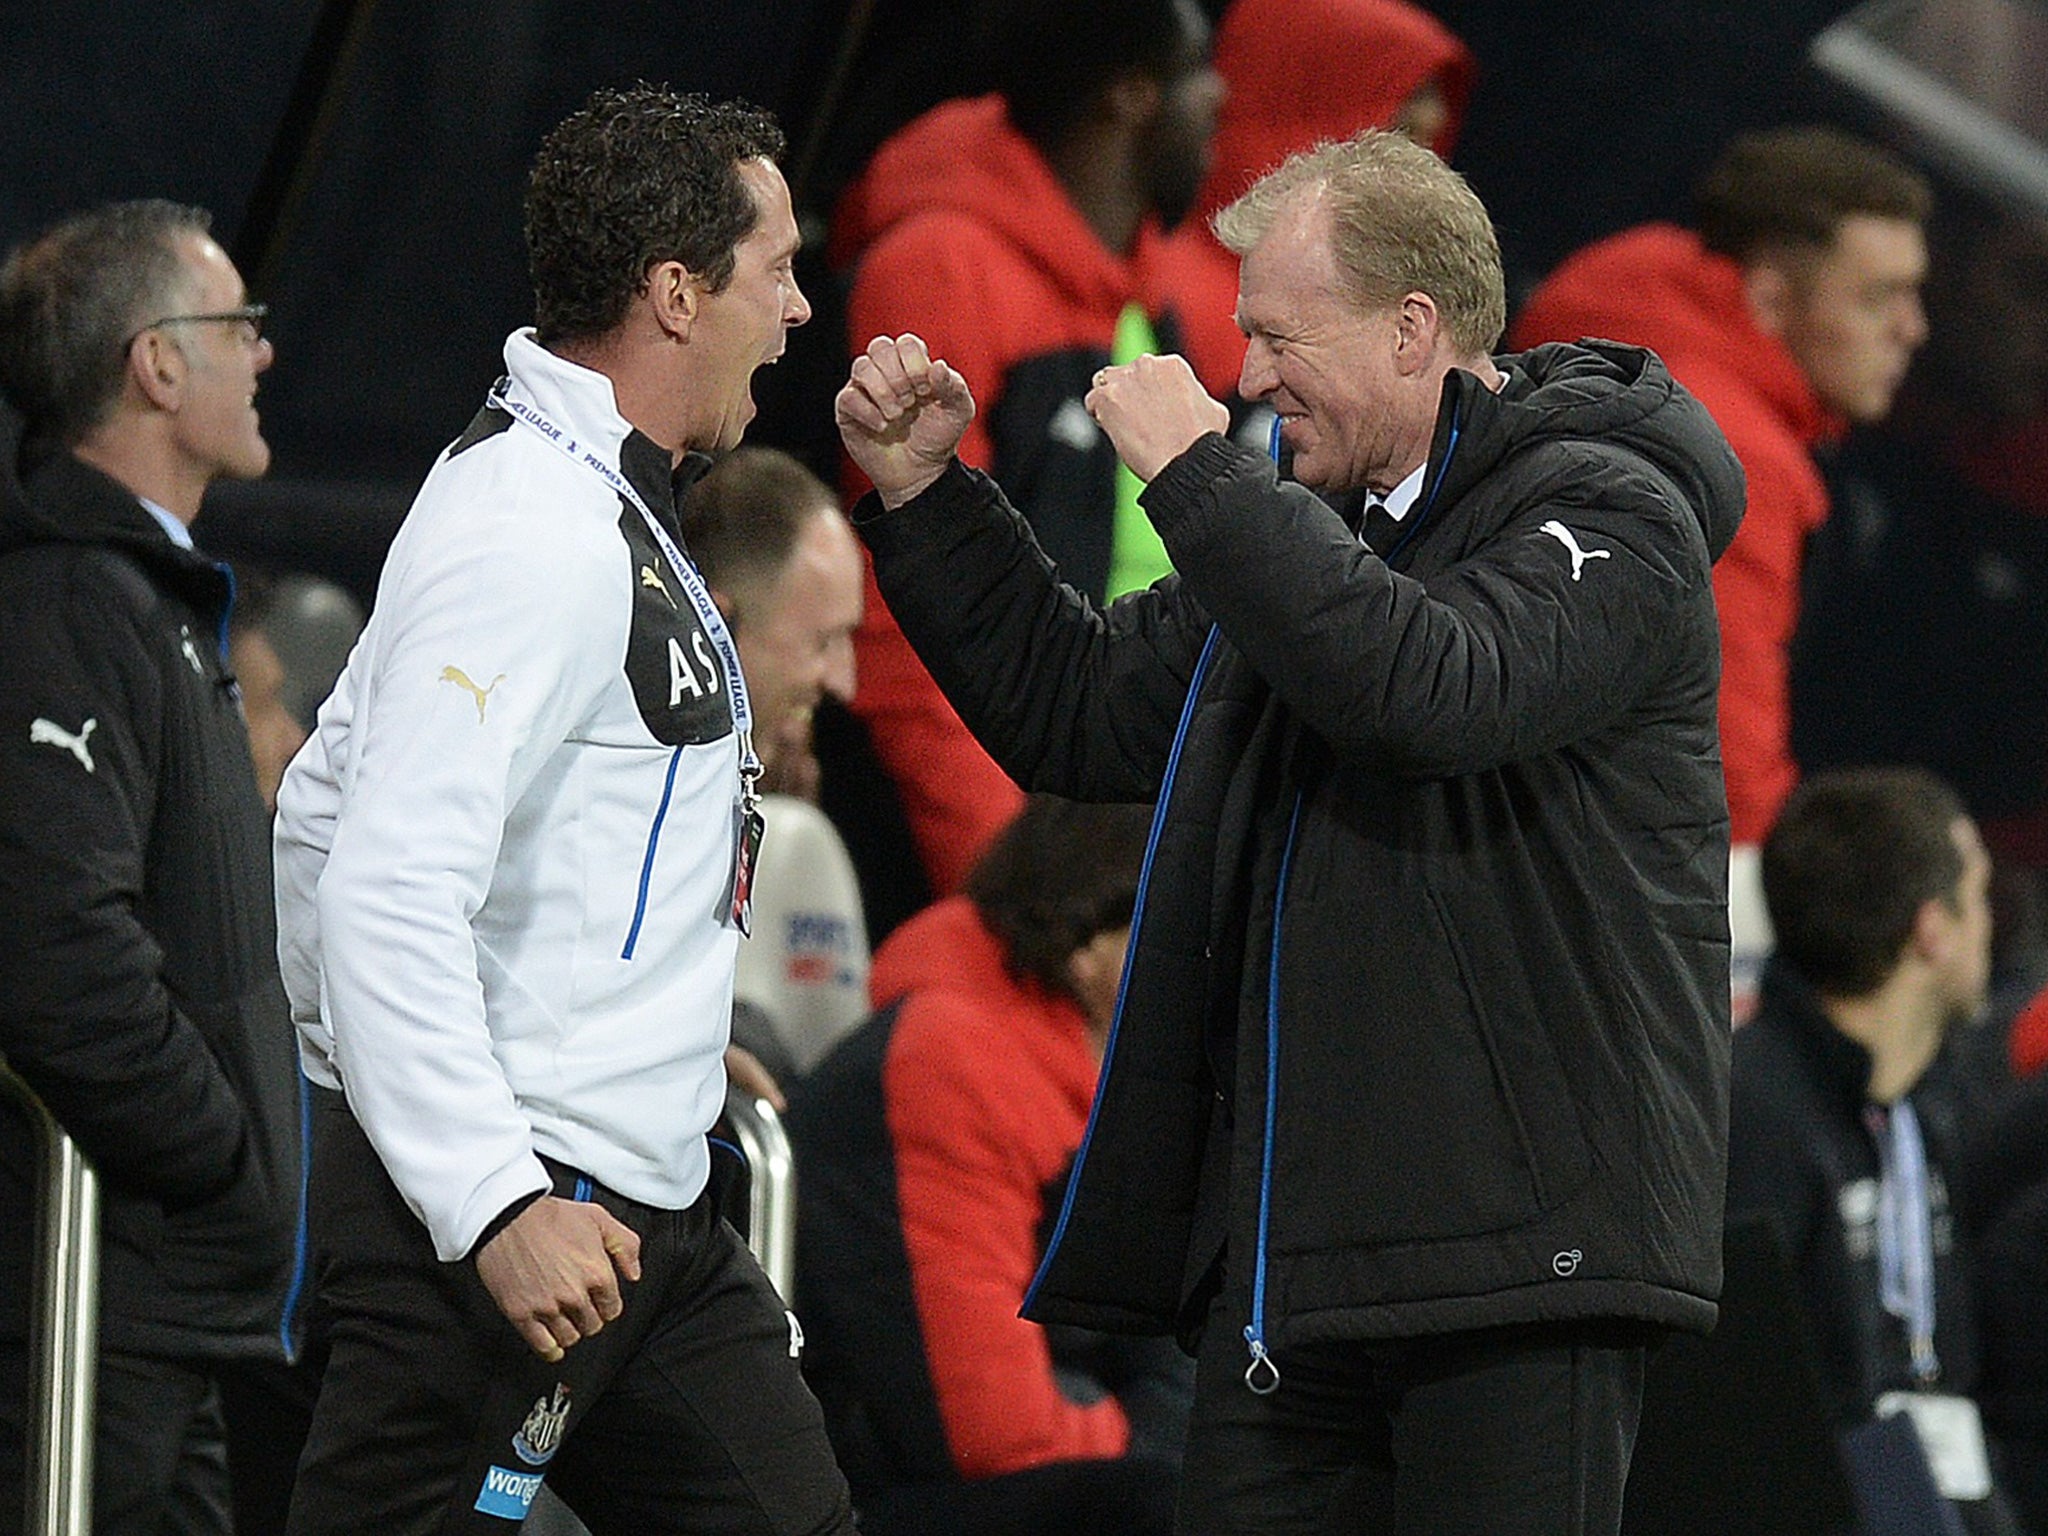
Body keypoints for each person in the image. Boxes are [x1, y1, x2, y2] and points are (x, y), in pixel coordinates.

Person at [837, 128, 1742, 1535]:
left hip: (1519, 1274)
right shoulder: (1311, 532)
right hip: (1292, 1274)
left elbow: (1428, 688)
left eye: (1275, 335)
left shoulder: (1609, 510)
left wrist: (1200, 477)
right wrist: (928, 497)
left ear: (1413, 330)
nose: (1246, 375)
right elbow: (1078, 711)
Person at [271, 87, 853, 1534]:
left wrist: (650, 1031)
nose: (796, 310)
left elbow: (382, 821)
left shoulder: (613, 501)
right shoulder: (524, 525)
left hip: (644, 1220)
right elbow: (376, 884)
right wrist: (487, 1198)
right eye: (774, 268)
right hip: (516, 1234)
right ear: (674, 292)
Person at [0, 200, 305, 1535]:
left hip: (169, 1304)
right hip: (96, 1304)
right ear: (156, 364)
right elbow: (59, 950)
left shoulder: (144, 602)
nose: (264, 353)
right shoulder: (72, 604)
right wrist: (223, 1149)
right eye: (237, 324)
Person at [1510, 127, 1931, 1010]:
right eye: (1879, 297)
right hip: (1618, 893)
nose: (1912, 329)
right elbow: (1725, 750)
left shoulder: (1606, 335)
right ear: (1772, 296)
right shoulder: (1739, 458)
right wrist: (1747, 951)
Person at [831, 0, 1225, 906]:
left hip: (1106, 847)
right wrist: (1010, 892)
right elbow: (911, 624)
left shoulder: (1151, 283)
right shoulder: (939, 268)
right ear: (1130, 94)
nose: (1220, 95)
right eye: (1197, 68)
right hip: (995, 874)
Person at [788, 795, 1188, 1535]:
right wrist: (1179, 1434)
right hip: (889, 1495)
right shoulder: (949, 1062)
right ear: (1084, 941)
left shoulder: (1114, 1069)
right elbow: (994, 1433)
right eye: (1181, 936)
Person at [1727, 766, 2025, 1534]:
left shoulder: (1943, 1101)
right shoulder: (1753, 1120)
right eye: (1979, 897)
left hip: (1955, 1491)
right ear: (1933, 930)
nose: (1993, 923)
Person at [1157, 0, 1474, 405]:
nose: (1436, 116)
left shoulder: (1416, 301)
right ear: (1321, 90)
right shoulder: (1174, 299)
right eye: (1409, 92)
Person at [682, 446, 871, 1081]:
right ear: (718, 622)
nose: (844, 683)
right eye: (821, 642)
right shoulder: (607, 798)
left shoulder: (782, 808)